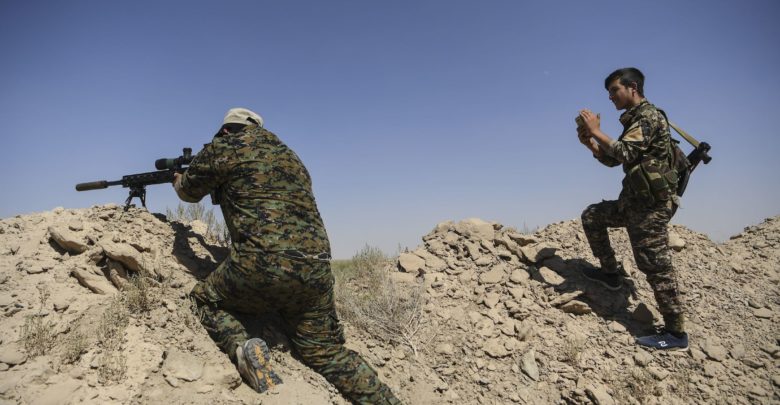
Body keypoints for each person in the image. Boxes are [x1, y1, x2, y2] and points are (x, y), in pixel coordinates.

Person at [172, 108, 401, 403]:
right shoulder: (293, 158)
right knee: (326, 351)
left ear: (227, 130)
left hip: (260, 265)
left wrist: (178, 179)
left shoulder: (225, 146)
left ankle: (243, 348)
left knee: (204, 301)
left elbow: (188, 194)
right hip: (316, 270)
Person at [576, 68, 688, 350]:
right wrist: (590, 143)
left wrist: (597, 131)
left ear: (632, 87)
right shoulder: (634, 120)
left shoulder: (649, 116)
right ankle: (611, 273)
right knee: (592, 216)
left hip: (650, 208)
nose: (611, 97)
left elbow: (624, 152)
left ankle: (676, 333)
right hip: (632, 203)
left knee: (655, 265)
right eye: (609, 92)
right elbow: (616, 159)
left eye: (614, 90)